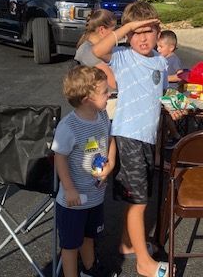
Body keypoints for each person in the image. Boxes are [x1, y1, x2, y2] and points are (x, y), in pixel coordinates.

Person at [92, 1, 174, 277]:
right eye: (137, 33)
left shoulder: (160, 62)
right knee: (139, 202)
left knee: (138, 198)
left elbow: (161, 95)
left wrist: (175, 105)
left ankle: (129, 244)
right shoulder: (123, 56)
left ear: (158, 33)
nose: (143, 38)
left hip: (147, 137)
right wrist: (128, 26)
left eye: (148, 31)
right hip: (128, 135)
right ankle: (143, 262)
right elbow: (98, 49)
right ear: (127, 35)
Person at [51, 66, 117, 277]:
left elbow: (110, 138)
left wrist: (112, 162)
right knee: (70, 245)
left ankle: (90, 270)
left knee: (90, 237)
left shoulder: (102, 115)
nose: (110, 94)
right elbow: (59, 157)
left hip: (95, 195)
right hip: (74, 201)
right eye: (105, 91)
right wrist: (69, 189)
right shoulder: (69, 126)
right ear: (88, 98)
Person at [75, 9, 118, 90]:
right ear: (102, 30)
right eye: (113, 30)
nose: (115, 34)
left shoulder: (88, 46)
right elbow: (112, 84)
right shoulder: (89, 51)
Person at [157, 30, 184, 148]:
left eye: (161, 47)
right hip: (164, 91)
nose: (158, 49)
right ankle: (168, 135)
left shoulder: (174, 59)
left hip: (172, 92)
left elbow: (180, 75)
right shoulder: (162, 58)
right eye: (157, 46)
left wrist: (165, 78)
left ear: (171, 47)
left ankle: (175, 136)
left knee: (166, 116)